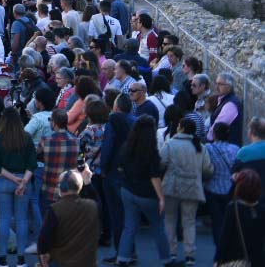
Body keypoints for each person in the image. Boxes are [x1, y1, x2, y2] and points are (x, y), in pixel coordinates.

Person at [113, 114, 171, 267]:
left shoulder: (126, 147)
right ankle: (166, 259)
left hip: (128, 190)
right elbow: (154, 176)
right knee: (158, 227)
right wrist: (161, 198)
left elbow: (119, 167)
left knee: (129, 227)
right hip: (147, 194)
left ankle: (122, 258)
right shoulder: (151, 152)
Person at [157, 115, 209, 267]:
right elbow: (207, 169)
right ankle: (190, 255)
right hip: (193, 187)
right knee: (189, 221)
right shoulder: (200, 146)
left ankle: (171, 253)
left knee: (170, 220)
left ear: (182, 128)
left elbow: (161, 163)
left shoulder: (170, 143)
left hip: (171, 186)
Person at [0, 106, 37, 267]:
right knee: (22, 220)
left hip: (3, 181)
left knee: (4, 219)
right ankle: (21, 258)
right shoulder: (26, 137)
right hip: (24, 179)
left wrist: (12, 178)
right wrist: (22, 181)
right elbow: (32, 163)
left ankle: (2, 258)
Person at [35, 168, 100, 267]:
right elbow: (96, 200)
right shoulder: (92, 206)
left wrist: (42, 254)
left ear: (62, 187)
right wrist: (88, 183)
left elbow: (44, 238)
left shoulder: (55, 209)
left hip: (61, 262)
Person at [215, 168, 264, 267]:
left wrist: (218, 259)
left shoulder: (233, 208)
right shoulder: (261, 209)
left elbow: (225, 237)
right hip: (258, 260)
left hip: (234, 260)